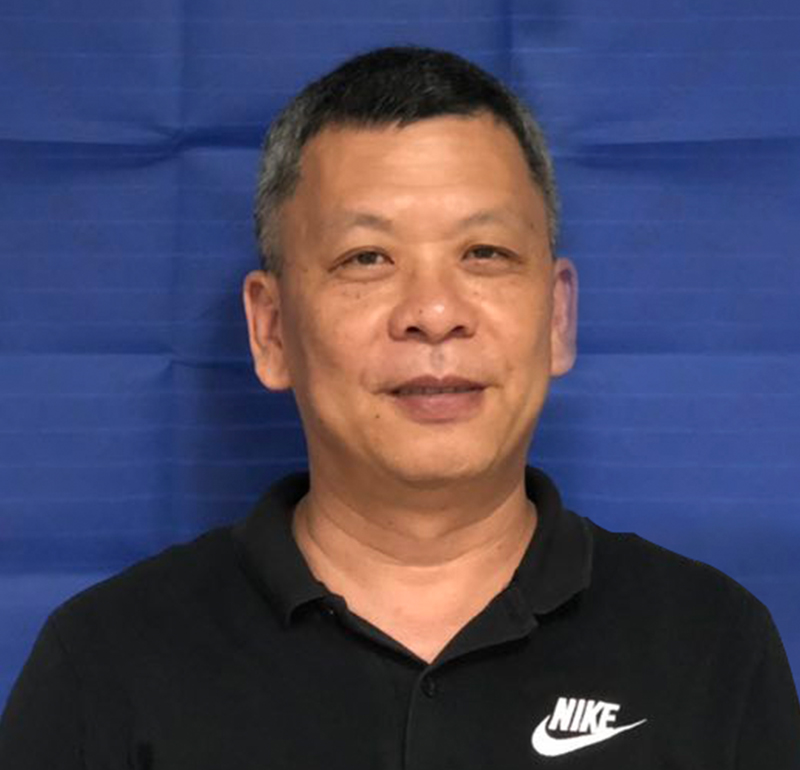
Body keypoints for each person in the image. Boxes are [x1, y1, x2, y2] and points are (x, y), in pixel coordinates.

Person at [1, 46, 798, 769]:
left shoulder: (712, 647)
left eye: (484, 253)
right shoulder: (106, 662)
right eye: (367, 258)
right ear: (271, 330)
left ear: (557, 317)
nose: (434, 312)